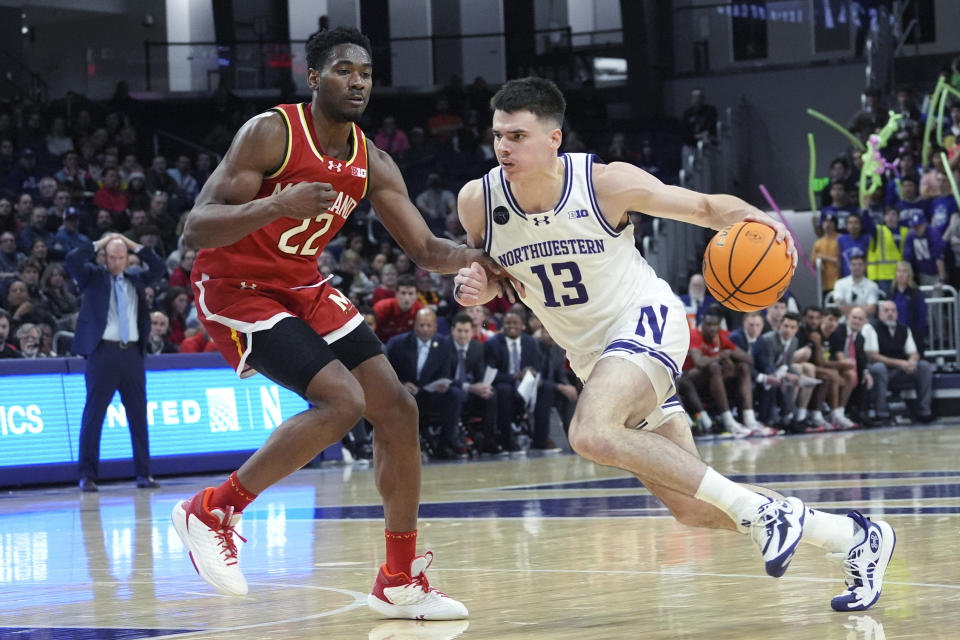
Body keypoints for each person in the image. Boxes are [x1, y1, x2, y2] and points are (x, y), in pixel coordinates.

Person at [453, 77, 895, 612]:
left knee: (590, 432)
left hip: (645, 320)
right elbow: (489, 268)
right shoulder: (478, 200)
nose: (503, 147)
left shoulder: (605, 183)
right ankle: (854, 538)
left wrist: (760, 222)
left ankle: (770, 516)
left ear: (553, 139)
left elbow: (706, 207)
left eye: (517, 135)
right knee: (694, 507)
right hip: (594, 358)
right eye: (498, 135)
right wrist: (473, 285)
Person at [172, 27, 478, 619]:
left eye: (364, 72)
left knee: (397, 409)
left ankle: (398, 579)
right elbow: (196, 228)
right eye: (343, 70)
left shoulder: (373, 161)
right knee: (340, 401)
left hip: (302, 287)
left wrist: (480, 259)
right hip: (235, 287)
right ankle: (212, 509)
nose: (357, 80)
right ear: (314, 78)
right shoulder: (271, 133)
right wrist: (276, 203)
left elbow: (424, 248)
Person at [64, 233, 165, 492]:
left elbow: (159, 268)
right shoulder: (93, 277)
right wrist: (100, 242)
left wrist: (134, 245)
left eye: (122, 257)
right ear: (104, 257)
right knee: (94, 415)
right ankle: (87, 475)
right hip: (102, 354)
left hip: (131, 354)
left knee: (138, 416)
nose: (117, 262)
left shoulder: (136, 278)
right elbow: (72, 260)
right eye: (112, 257)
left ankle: (144, 474)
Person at [386, 308, 465, 459]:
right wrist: (400, 384)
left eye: (429, 326)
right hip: (404, 395)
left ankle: (446, 442)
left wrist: (443, 384)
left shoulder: (444, 344)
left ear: (435, 326)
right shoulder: (398, 343)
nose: (425, 329)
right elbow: (386, 372)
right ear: (415, 325)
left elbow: (447, 373)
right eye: (422, 325)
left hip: (430, 394)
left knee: (455, 394)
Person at [866, 300, 935, 424]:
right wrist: (900, 363)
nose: (890, 314)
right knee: (879, 368)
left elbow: (914, 352)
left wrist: (912, 362)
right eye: (886, 311)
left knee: (924, 366)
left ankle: (925, 412)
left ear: (897, 313)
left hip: (901, 370)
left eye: (893, 310)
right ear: (879, 313)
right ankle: (882, 413)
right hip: (883, 370)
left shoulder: (904, 329)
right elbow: (873, 356)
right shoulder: (871, 328)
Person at [449, 311, 499, 453]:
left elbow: (480, 374)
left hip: (469, 393)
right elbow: (444, 377)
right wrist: (469, 387)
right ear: (453, 330)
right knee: (455, 394)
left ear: (472, 331)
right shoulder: (444, 345)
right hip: (450, 391)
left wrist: (483, 387)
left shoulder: (477, 347)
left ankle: (488, 441)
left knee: (491, 395)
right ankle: (452, 441)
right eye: (459, 331)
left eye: (466, 331)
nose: (463, 335)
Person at [832, 253, 880, 317]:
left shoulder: (872, 286)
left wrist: (848, 308)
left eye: (860, 265)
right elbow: (839, 307)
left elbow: (871, 310)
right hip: (844, 321)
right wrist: (863, 308)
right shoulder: (840, 283)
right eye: (854, 265)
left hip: (866, 321)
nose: (857, 267)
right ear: (849, 266)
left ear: (865, 266)